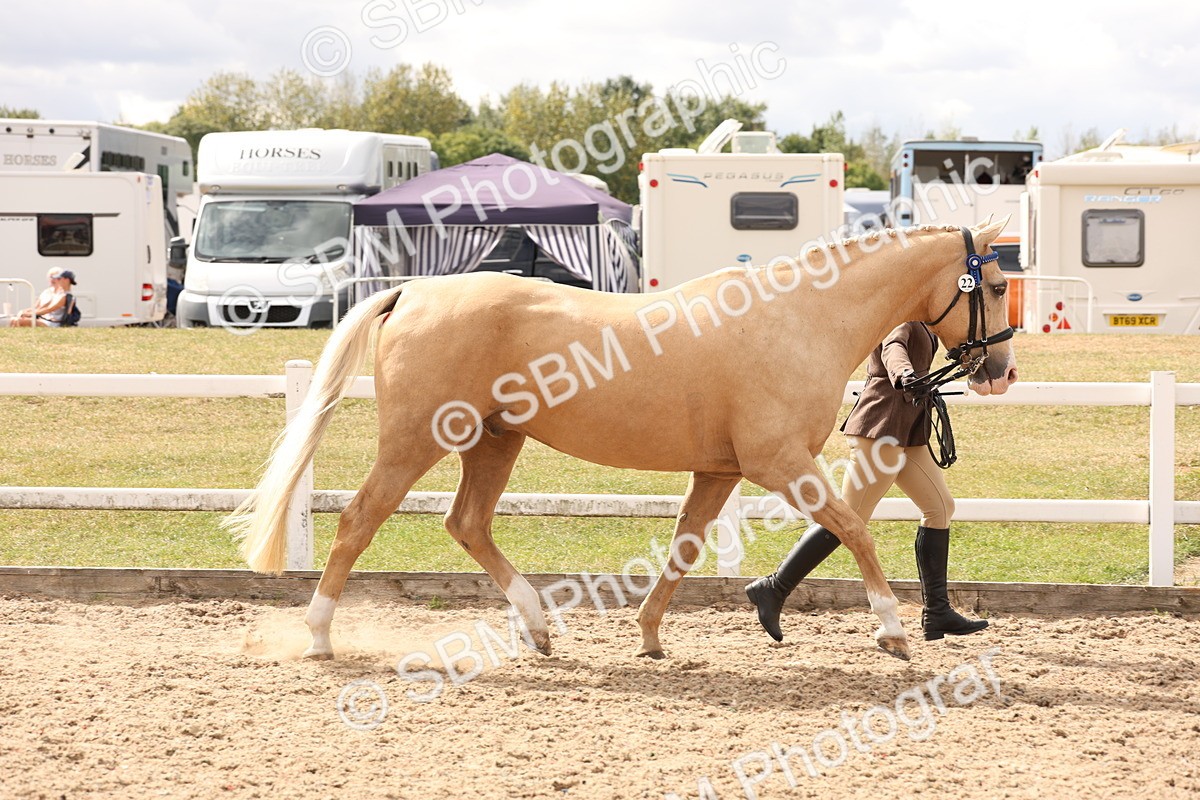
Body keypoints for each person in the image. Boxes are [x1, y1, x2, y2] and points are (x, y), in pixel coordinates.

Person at [745, 321, 989, 643]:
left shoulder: (926, 319)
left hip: (909, 431)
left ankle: (937, 612)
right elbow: (893, 347)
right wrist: (903, 374)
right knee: (846, 519)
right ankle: (773, 588)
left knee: (940, 506)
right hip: (881, 428)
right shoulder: (900, 313)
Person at [9, 269, 76, 327]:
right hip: (46, 320)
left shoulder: (64, 296)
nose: (57, 280)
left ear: (67, 280)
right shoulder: (59, 294)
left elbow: (48, 309)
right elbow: (44, 307)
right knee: (14, 320)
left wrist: (30, 314)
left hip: (52, 323)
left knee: (18, 321)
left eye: (59, 279)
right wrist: (27, 312)